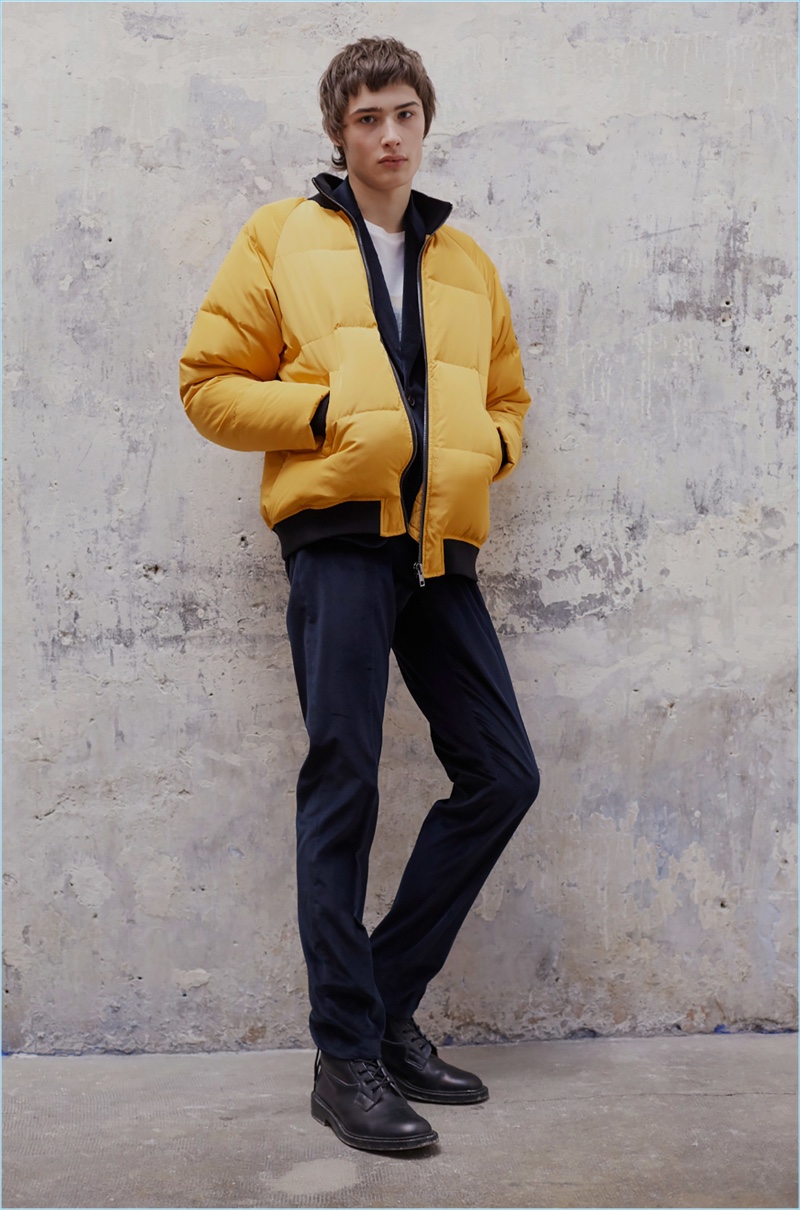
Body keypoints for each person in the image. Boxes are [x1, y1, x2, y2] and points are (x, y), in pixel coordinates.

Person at [180, 36, 540, 1153]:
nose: (389, 135)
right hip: (338, 539)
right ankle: (345, 1060)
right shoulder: (280, 237)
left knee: (502, 772)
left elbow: (510, 400)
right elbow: (208, 385)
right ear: (338, 132)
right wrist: (328, 414)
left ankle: (379, 1010)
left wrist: (484, 446)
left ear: (425, 122)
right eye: (367, 117)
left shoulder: (465, 261)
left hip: (438, 551)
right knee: (344, 783)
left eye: (403, 114)